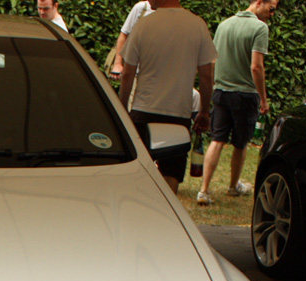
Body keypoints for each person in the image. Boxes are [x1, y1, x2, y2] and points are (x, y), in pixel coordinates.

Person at [119, 0, 216, 194]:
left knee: (140, 170)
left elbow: (128, 73)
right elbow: (206, 75)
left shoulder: (144, 25)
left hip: (143, 110)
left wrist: (122, 109)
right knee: (172, 172)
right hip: (178, 113)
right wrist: (204, 111)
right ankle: (165, 215)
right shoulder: (197, 25)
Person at [197, 0, 278, 206]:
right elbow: (256, 67)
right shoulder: (260, 28)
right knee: (240, 143)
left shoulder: (224, 25)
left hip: (221, 92)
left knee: (217, 139)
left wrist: (215, 85)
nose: (272, 14)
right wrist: (263, 98)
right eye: (271, 9)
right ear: (259, 3)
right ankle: (233, 186)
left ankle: (204, 190)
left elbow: (213, 60)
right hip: (245, 94)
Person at [109, 0, 151, 80]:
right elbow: (124, 35)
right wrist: (117, 64)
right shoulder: (142, 8)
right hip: (136, 74)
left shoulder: (172, 15)